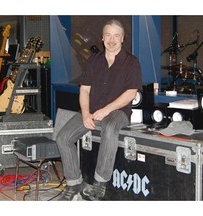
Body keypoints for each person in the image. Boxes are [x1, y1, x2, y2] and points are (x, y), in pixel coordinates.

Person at [56, 19, 142, 201]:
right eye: (108, 36)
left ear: (122, 38)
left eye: (116, 36)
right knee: (63, 138)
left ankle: (100, 183)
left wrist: (105, 110)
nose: (112, 40)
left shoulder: (132, 62)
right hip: (92, 111)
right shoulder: (93, 61)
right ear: (102, 38)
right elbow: (84, 90)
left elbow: (130, 94)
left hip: (118, 112)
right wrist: (86, 113)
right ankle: (74, 183)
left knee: (110, 127)